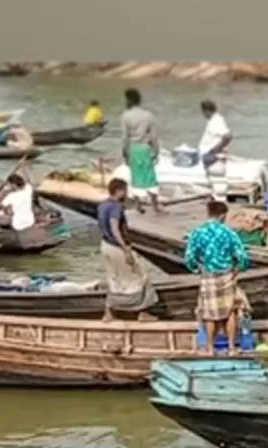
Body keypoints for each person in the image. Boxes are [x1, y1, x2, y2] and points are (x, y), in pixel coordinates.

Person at [183, 200, 251, 351]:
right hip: (227, 275)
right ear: (222, 215)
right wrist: (238, 269)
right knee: (230, 312)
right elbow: (242, 257)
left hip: (208, 276)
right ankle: (232, 348)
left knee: (209, 313)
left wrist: (196, 268)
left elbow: (189, 258)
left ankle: (209, 348)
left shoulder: (197, 233)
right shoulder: (229, 233)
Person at [97, 177, 158, 320]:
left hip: (105, 245)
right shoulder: (116, 207)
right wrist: (125, 248)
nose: (126, 193)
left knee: (114, 278)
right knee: (138, 277)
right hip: (117, 246)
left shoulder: (102, 205)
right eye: (125, 190)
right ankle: (142, 312)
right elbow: (114, 227)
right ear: (119, 191)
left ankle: (109, 312)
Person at [121, 88, 161, 213]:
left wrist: (124, 152)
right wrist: (156, 150)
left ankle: (138, 205)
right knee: (150, 176)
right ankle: (155, 205)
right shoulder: (148, 115)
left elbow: (125, 137)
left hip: (134, 148)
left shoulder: (126, 116)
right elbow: (154, 136)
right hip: (146, 148)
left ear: (128, 100)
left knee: (136, 177)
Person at [197, 99, 232, 198]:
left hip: (215, 159)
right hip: (210, 159)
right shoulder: (214, 121)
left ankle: (219, 207)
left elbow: (228, 136)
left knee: (218, 187)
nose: (203, 114)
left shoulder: (216, 122)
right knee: (213, 186)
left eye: (203, 111)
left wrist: (215, 149)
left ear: (206, 110)